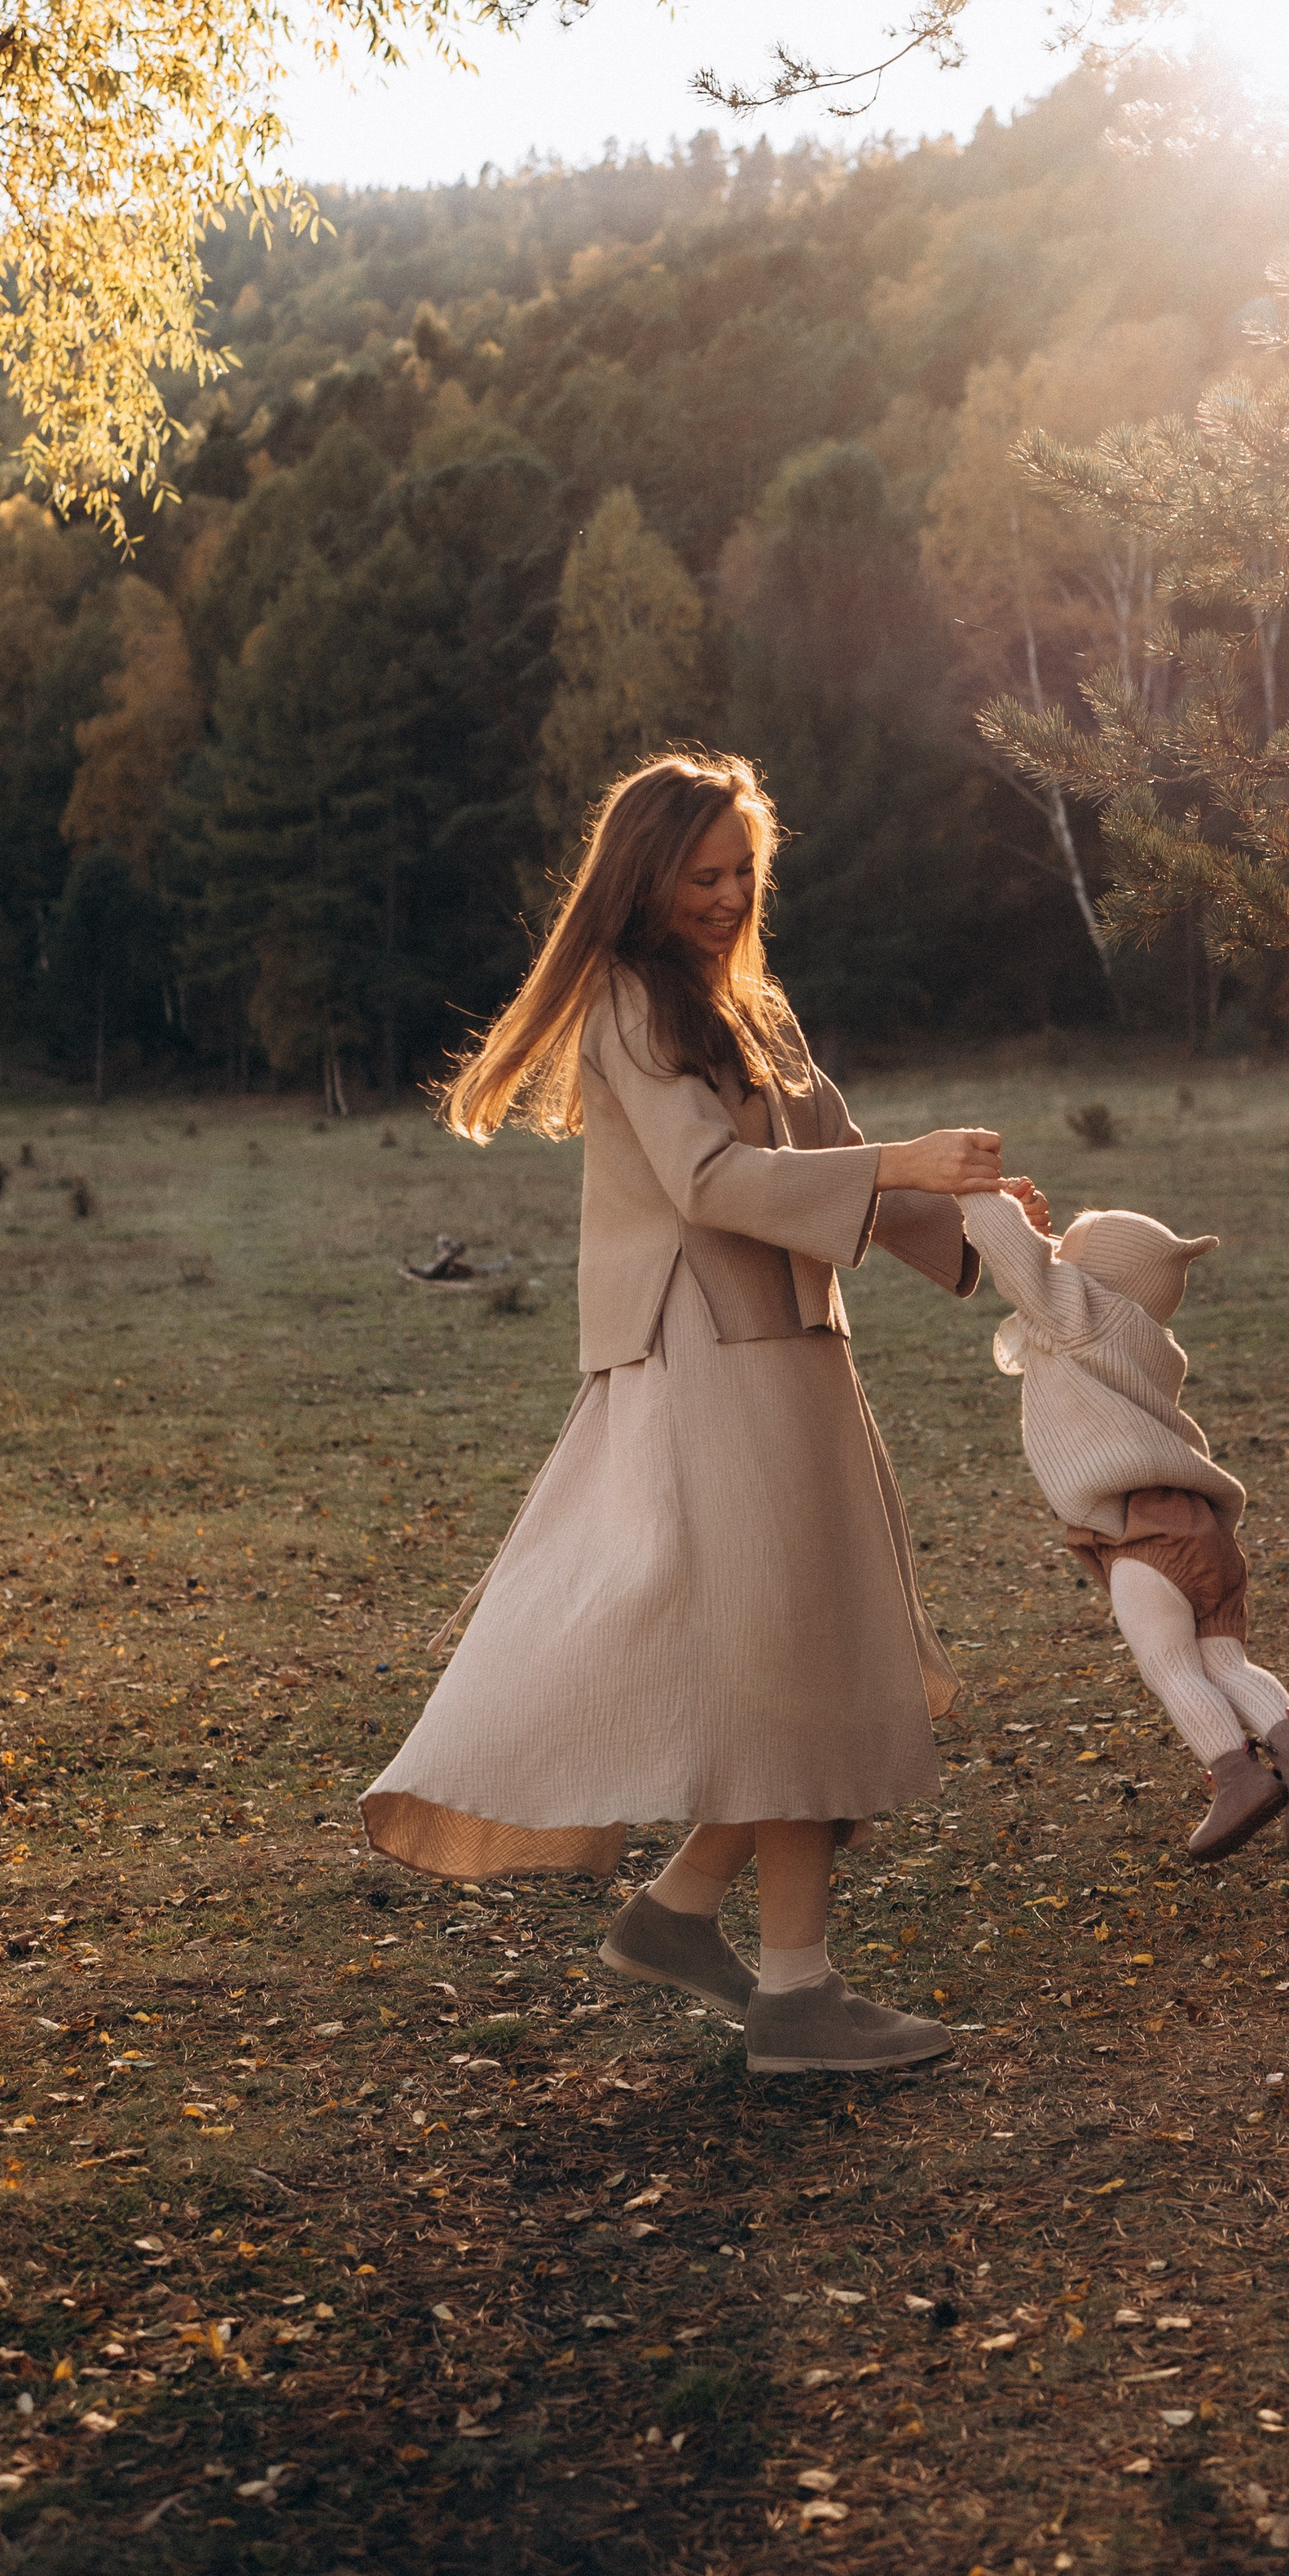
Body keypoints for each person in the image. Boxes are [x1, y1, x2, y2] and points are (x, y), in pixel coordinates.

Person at [362, 751, 1009, 2074]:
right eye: (702, 874)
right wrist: (900, 1161)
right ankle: (792, 1995)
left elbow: (828, 1152)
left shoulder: (748, 1004)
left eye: (742, 873)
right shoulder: (624, 1006)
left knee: (805, 1657)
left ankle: (686, 1922)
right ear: (645, 875)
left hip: (792, 1362)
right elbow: (714, 1179)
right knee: (787, 1663)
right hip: (700, 1371)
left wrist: (985, 1242)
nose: (724, 895)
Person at [960, 1186, 1289, 1860]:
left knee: (1170, 1667)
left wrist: (972, 1187)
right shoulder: (1141, 1337)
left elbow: (1016, 1256)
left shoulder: (1079, 1316)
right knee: (1223, 1660)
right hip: (1203, 1529)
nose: (1052, 1257)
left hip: (1142, 1534)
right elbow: (1042, 1263)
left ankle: (1236, 1778)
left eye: (1067, 1254)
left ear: (1094, 1280)